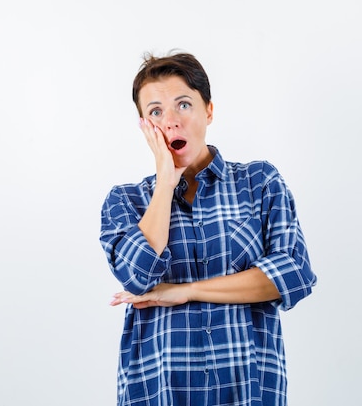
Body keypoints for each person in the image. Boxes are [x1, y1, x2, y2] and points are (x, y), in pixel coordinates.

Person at [99, 51, 317, 406]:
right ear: (144, 125)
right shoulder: (125, 201)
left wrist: (187, 291)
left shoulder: (259, 182)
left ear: (208, 111)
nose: (170, 121)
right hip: (159, 391)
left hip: (249, 388)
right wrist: (165, 184)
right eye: (155, 112)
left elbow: (294, 274)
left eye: (183, 105)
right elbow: (138, 276)